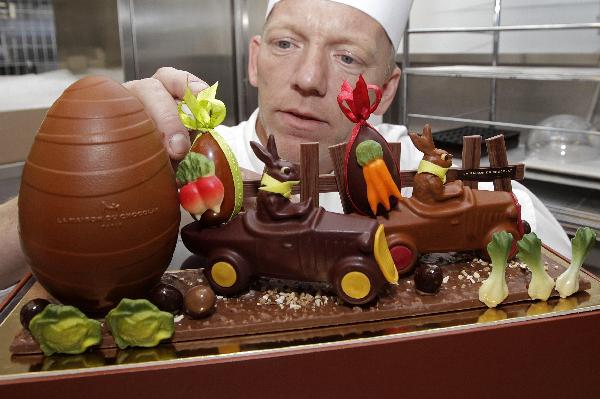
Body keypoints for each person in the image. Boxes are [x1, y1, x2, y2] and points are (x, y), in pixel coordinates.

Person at [0, 0, 570, 298]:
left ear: (386, 90)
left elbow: (557, 297)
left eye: (347, 57)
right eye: (285, 43)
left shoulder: (430, 172)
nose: (308, 77)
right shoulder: (191, 161)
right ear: (253, 60)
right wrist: (96, 169)